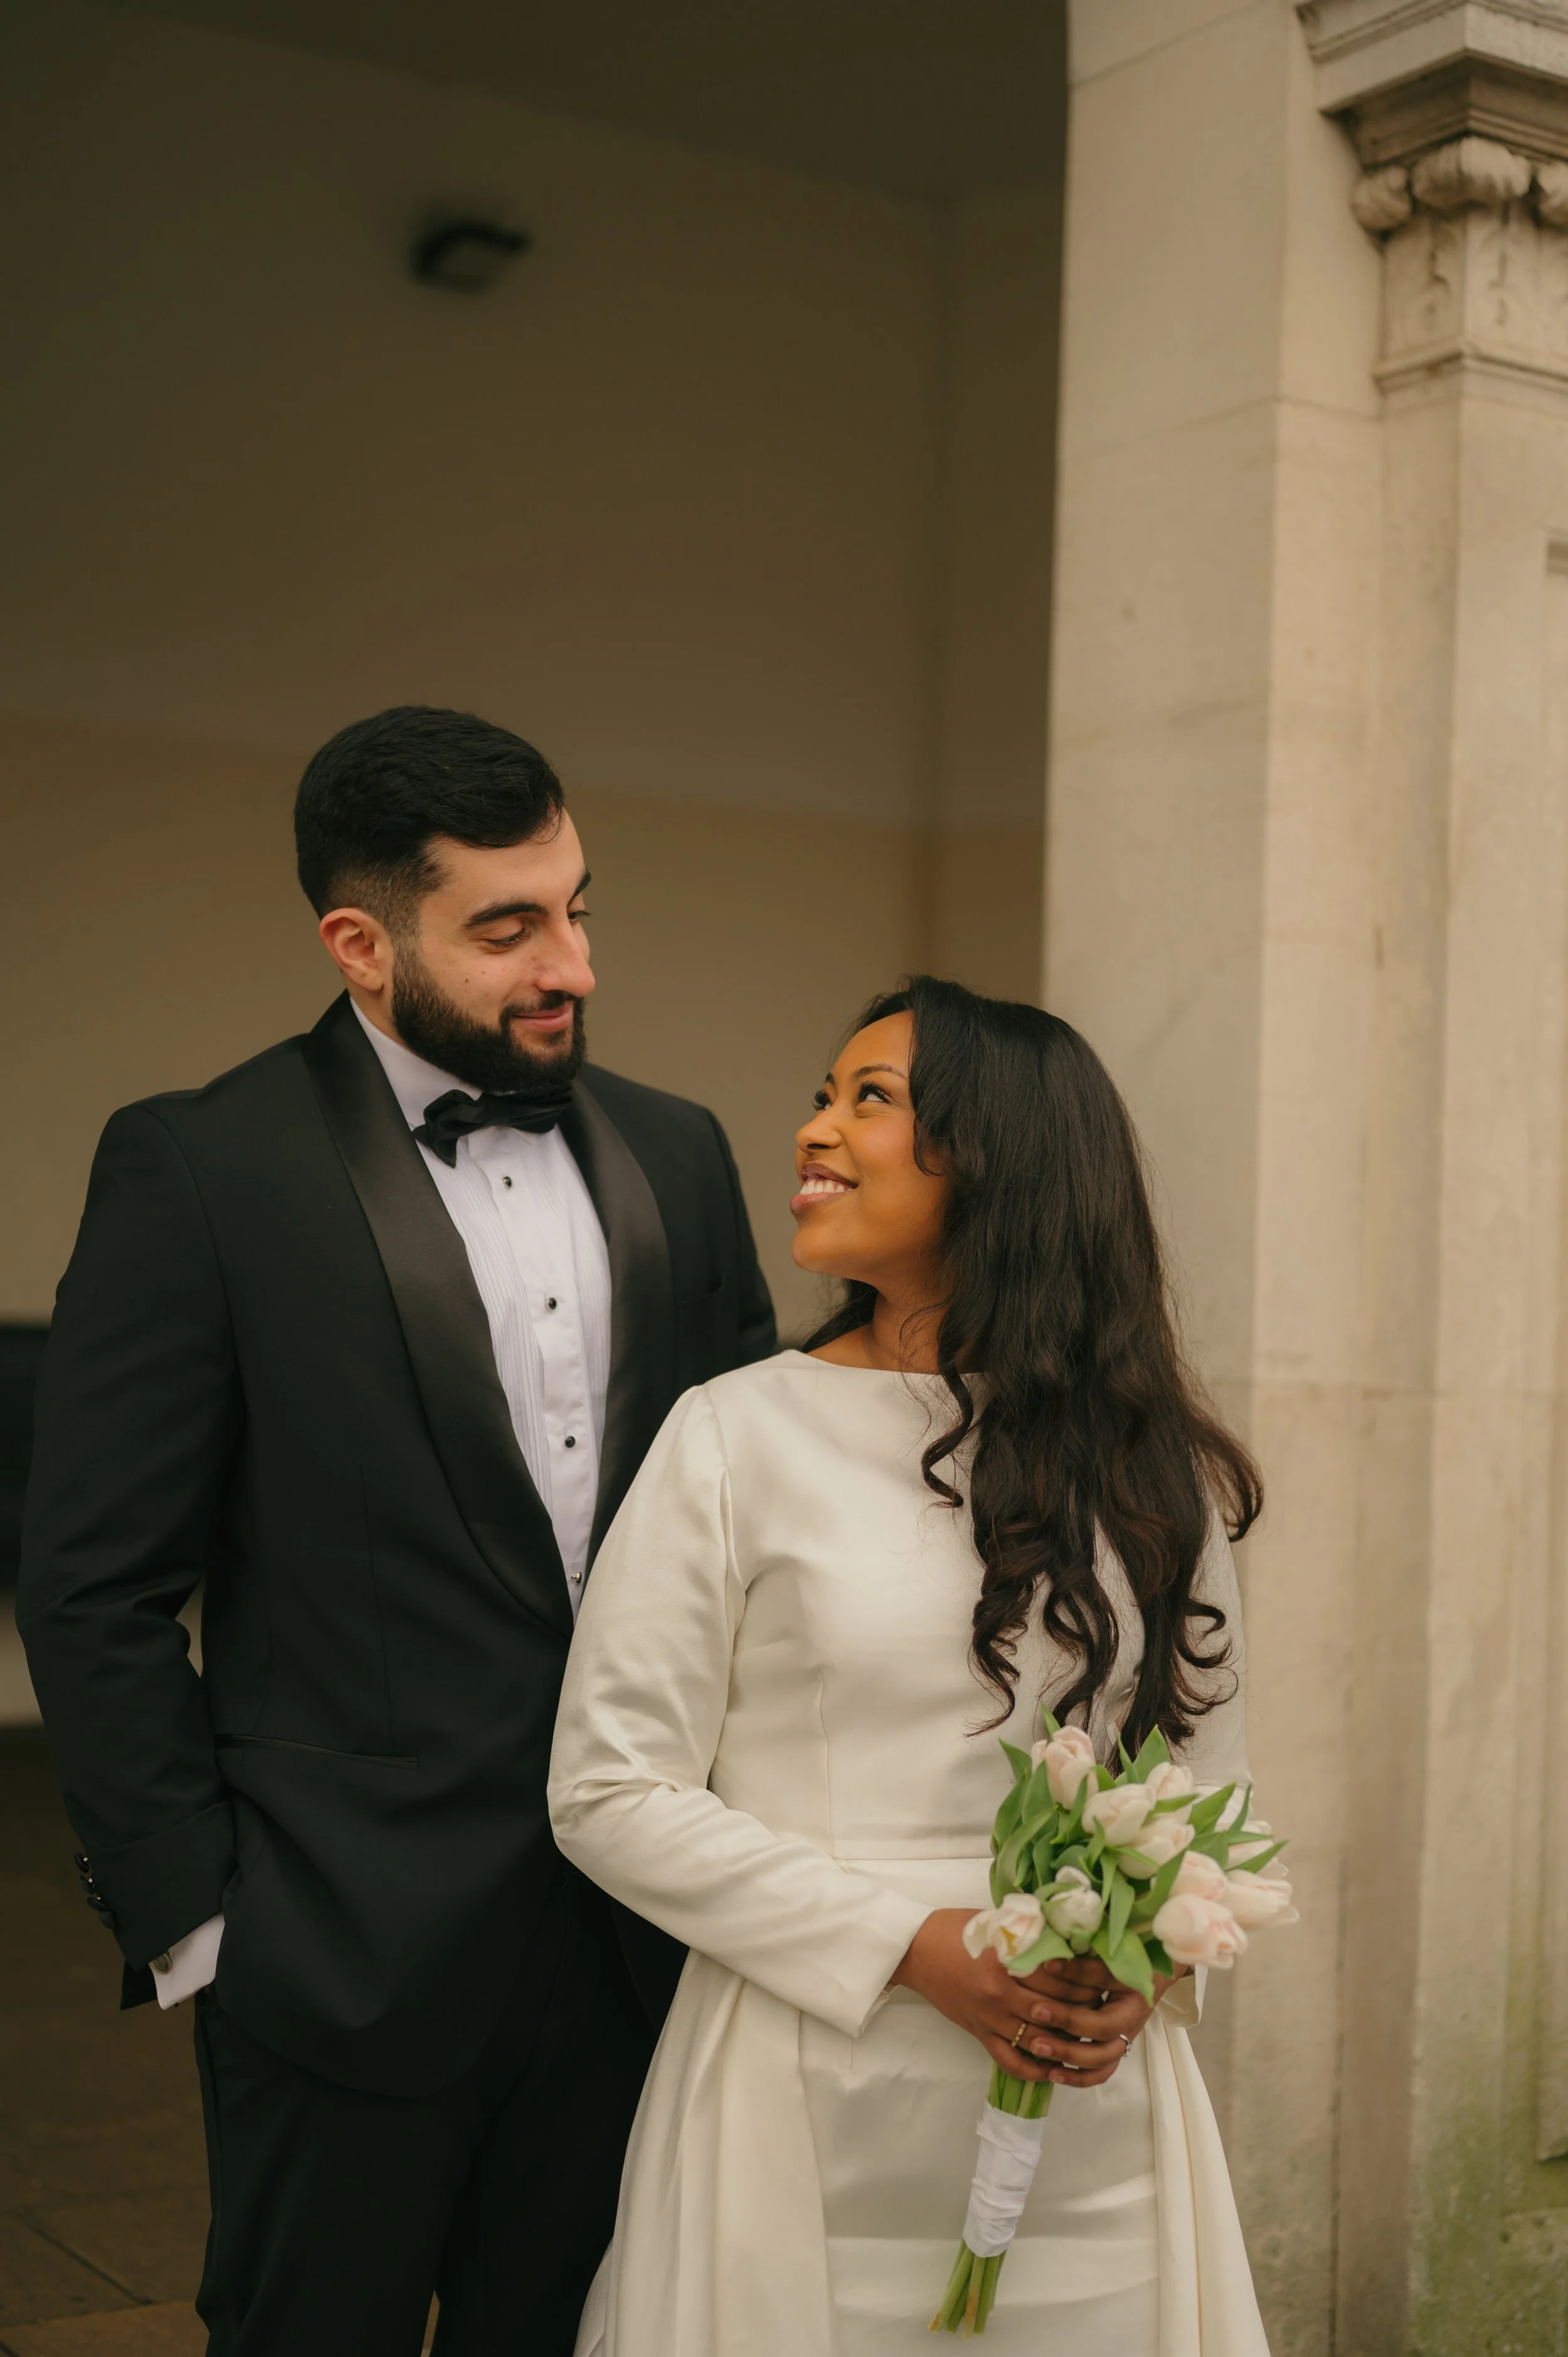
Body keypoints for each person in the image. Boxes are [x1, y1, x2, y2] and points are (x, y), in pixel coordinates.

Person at [17, 705, 776, 2357]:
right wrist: (197, 1923)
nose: (566, 958)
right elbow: (91, 1578)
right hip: (330, 1950)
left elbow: (754, 1530)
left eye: (576, 905)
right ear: (361, 944)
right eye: (505, 927)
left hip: (639, 1944)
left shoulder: (683, 1156)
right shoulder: (202, 1166)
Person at [549, 975, 1271, 2356]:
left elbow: (1204, 1793)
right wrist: (906, 1948)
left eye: (868, 1099)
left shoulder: (1148, 1467)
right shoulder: (732, 1434)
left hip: (1088, 2122)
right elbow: (606, 1790)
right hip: (799, 2088)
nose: (814, 1129)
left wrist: (1148, 1971)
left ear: (999, 1159)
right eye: (824, 1093)